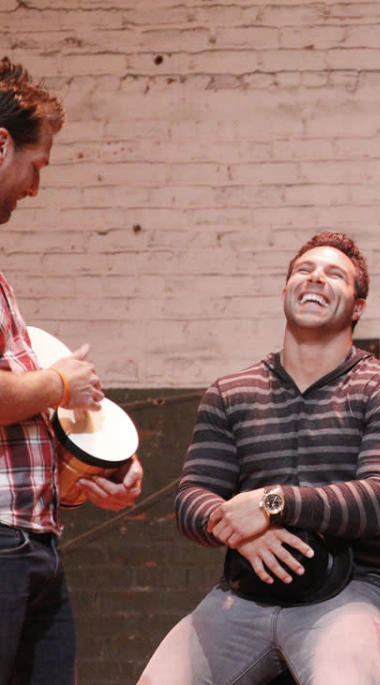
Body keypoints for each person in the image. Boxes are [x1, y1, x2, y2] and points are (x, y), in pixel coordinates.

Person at [139, 232, 380, 685]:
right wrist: (240, 532)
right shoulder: (231, 393)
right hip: (242, 597)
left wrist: (271, 503)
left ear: (358, 307)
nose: (316, 278)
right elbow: (191, 498)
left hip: (348, 598)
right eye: (304, 270)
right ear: (284, 291)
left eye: (335, 275)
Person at [0, 57, 143, 683]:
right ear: (1, 145)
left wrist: (80, 481)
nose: (36, 188)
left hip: (32, 539)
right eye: (37, 167)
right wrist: (62, 384)